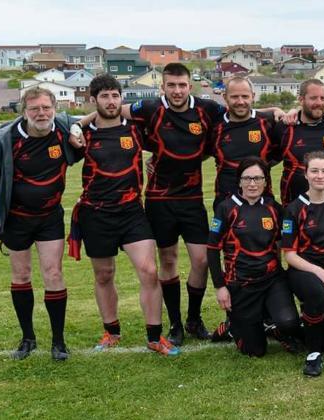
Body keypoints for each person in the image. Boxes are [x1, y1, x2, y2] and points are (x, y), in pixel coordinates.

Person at [69, 63, 227, 345]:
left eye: (182, 85)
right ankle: (175, 325)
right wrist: (76, 123)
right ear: (162, 86)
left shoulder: (208, 109)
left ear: (189, 85)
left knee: (201, 260)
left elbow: (239, 115)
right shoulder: (148, 109)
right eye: (171, 85)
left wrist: (278, 112)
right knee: (166, 261)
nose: (177, 90)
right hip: (158, 199)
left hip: (191, 198)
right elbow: (110, 111)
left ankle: (193, 319)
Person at [67, 74, 178, 356]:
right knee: (104, 274)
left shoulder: (136, 130)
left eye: (115, 95)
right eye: (104, 96)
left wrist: (155, 160)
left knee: (149, 271)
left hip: (131, 212)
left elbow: (169, 145)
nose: (111, 101)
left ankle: (155, 336)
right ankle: (111, 331)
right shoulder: (83, 135)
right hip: (95, 213)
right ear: (94, 100)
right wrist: (77, 124)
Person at [0, 87, 79, 360]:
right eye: (34, 108)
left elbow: (88, 121)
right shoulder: (5, 138)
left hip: (49, 218)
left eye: (46, 107)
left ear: (54, 109)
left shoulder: (63, 130)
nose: (41, 113)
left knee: (54, 274)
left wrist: (78, 133)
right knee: (21, 276)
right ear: (24, 111)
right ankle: (28, 339)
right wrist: (8, 192)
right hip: (16, 219)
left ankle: (58, 342)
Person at [208, 157, 301, 356]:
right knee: (254, 351)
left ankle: (275, 326)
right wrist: (220, 287)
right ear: (239, 181)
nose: (252, 184)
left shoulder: (273, 208)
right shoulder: (225, 208)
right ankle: (233, 326)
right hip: (241, 284)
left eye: (258, 178)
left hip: (271, 280)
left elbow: (280, 243)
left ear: (266, 182)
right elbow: (212, 249)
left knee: (290, 323)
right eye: (247, 178)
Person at [282, 151, 324, 377]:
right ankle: (312, 355)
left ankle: (292, 329)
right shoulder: (293, 209)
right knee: (317, 293)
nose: (320, 176)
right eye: (315, 171)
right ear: (306, 174)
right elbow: (290, 255)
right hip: (304, 270)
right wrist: (319, 272)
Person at [208, 75, 280, 210]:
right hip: (225, 204)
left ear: (252, 96)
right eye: (234, 97)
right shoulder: (214, 127)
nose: (240, 101)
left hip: (263, 204)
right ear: (225, 97)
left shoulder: (268, 122)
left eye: (245, 96)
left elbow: (279, 154)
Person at [275, 79, 324, 205]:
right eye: (313, 98)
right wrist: (275, 109)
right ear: (301, 100)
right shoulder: (284, 127)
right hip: (293, 206)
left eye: (323, 98)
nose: (319, 103)